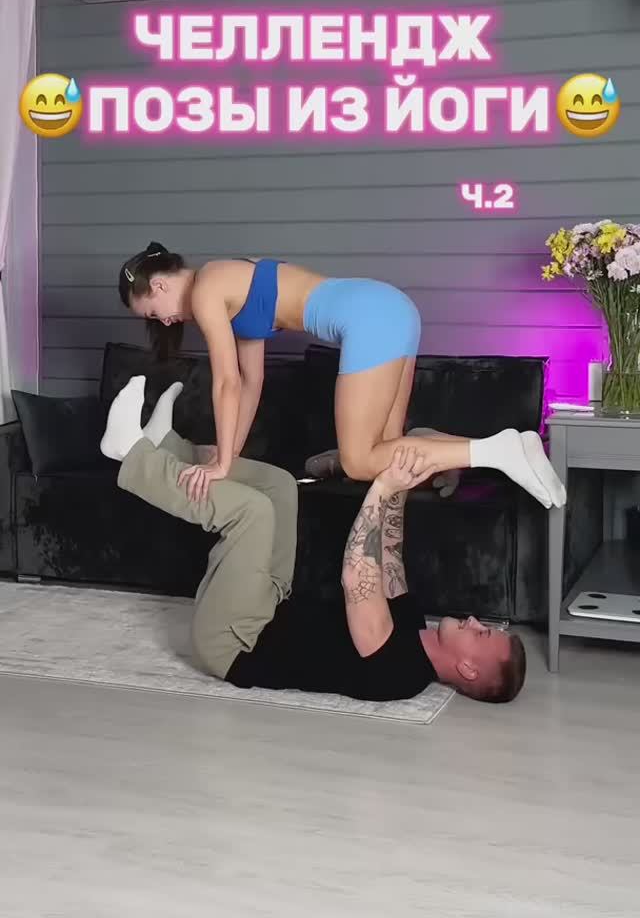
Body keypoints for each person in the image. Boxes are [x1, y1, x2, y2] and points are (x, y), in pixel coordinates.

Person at [101, 377, 526, 704]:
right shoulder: (413, 626)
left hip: (233, 642)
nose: (475, 621)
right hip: (268, 605)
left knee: (252, 513)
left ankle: (132, 456)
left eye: (482, 635)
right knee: (280, 488)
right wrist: (400, 482)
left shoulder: (402, 673)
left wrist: (381, 488)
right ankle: (166, 446)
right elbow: (388, 552)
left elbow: (356, 574)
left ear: (468, 669)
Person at [117, 243, 566, 512]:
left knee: (357, 461)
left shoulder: (206, 288)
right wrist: (228, 455)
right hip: (390, 306)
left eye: (154, 313)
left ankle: (499, 449)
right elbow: (250, 383)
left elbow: (225, 383)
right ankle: (464, 454)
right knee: (389, 460)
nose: (166, 322)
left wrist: (219, 467)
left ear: (159, 286)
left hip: (368, 318)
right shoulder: (227, 279)